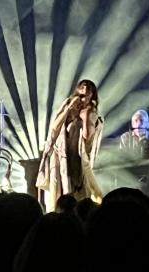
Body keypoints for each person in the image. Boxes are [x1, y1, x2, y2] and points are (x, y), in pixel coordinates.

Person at [36, 79, 104, 213]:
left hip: (77, 161)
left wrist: (85, 117)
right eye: (82, 86)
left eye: (88, 88)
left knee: (76, 195)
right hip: (60, 157)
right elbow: (54, 128)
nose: (84, 88)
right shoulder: (68, 104)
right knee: (57, 195)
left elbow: (87, 139)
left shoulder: (91, 113)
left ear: (92, 95)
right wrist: (69, 107)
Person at [118, 109, 149, 195]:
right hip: (129, 174)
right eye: (136, 121)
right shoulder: (125, 138)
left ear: (147, 123)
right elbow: (122, 158)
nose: (138, 124)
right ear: (132, 124)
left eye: (141, 120)